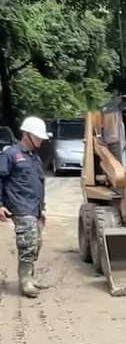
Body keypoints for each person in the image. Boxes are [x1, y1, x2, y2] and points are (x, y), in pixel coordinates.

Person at [0, 116, 50, 298]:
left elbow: (38, 183)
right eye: (38, 137)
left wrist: (41, 208)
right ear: (27, 135)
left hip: (34, 208)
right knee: (27, 244)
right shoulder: (10, 155)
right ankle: (25, 281)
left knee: (37, 243)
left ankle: (31, 276)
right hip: (20, 207)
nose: (41, 140)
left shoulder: (33, 157)